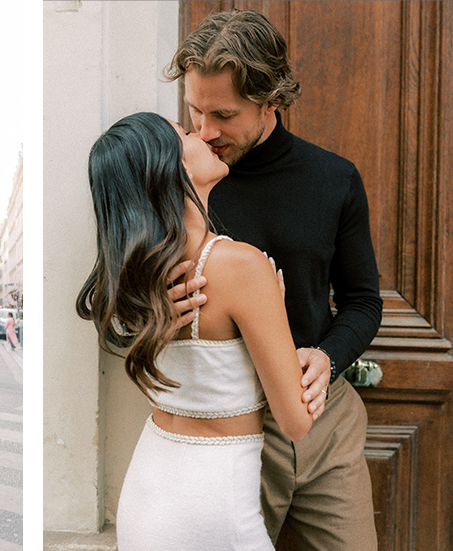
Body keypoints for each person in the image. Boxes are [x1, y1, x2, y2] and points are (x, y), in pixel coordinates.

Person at [165, 10, 383, 550]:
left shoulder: (335, 179)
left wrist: (329, 356)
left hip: (325, 421)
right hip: (227, 424)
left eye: (223, 114)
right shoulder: (176, 180)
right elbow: (110, 308)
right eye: (194, 110)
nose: (204, 131)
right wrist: (155, 313)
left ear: (273, 102)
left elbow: (362, 301)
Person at [77, 111, 313, 550]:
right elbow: (295, 422)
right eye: (186, 133)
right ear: (174, 167)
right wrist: (283, 327)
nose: (202, 134)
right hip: (213, 510)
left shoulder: (137, 274)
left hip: (147, 495)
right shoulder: (242, 267)